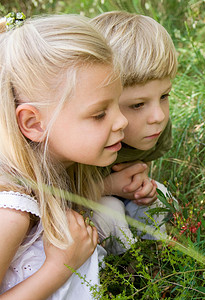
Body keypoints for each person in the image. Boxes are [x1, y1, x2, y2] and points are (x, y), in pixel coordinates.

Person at [0, 13, 128, 299]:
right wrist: (59, 268)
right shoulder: (10, 212)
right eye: (99, 114)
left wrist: (110, 186)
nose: (122, 122)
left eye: (118, 104)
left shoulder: (51, 167)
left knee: (108, 207)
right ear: (34, 124)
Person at [90, 11, 178, 254]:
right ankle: (112, 277)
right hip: (62, 218)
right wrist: (105, 187)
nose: (158, 116)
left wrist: (137, 184)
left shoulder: (151, 128)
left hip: (110, 193)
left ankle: (155, 261)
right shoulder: (82, 138)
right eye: (138, 105)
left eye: (164, 96)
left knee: (158, 195)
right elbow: (48, 197)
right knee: (108, 211)